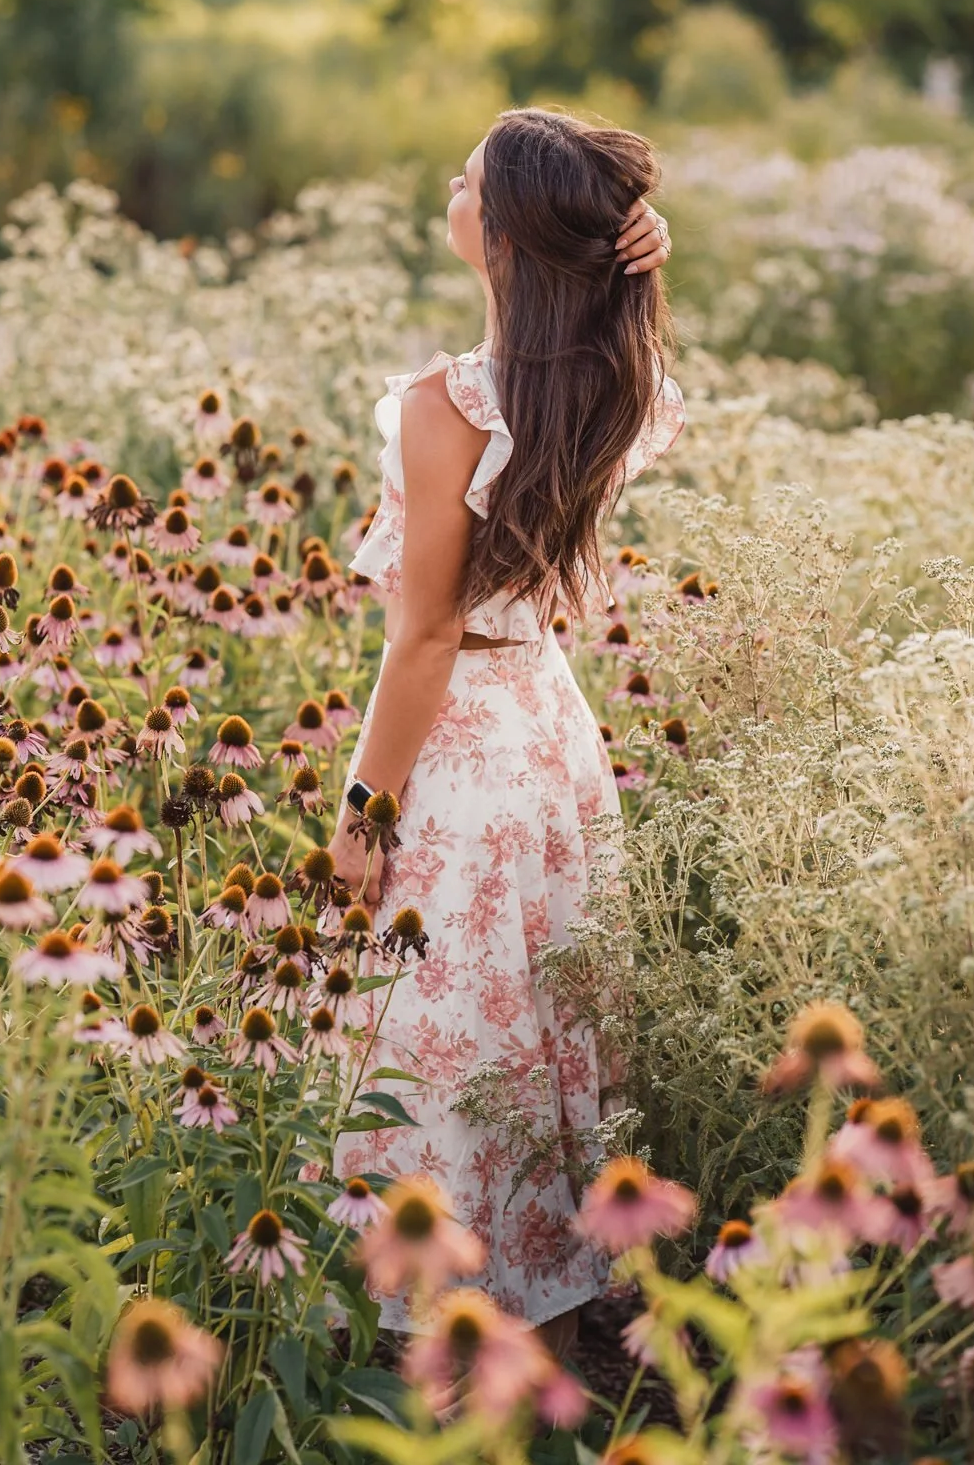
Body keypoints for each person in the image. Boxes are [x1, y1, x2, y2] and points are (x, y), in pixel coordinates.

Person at [328, 107, 683, 1363]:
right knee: (544, 1033)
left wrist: (364, 809)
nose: (451, 185)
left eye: (467, 179)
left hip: (465, 751)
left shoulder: (444, 406)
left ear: (506, 234)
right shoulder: (611, 384)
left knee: (440, 1034)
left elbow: (425, 633)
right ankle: (559, 1330)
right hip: (551, 734)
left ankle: (427, 1337)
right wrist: (637, 264)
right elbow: (637, 342)